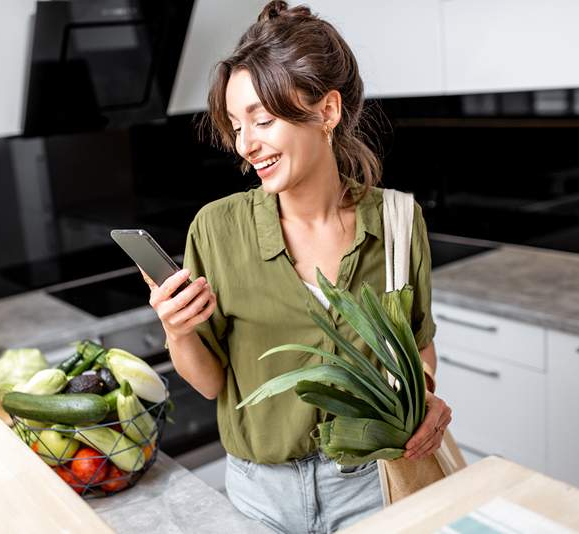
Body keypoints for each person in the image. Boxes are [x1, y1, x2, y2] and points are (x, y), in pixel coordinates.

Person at [141, 2, 452, 532]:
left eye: (263, 120)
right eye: (237, 125)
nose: (246, 144)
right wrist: (177, 331)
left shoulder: (399, 220)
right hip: (260, 493)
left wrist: (421, 400)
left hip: (373, 483)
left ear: (327, 111)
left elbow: (417, 344)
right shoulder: (216, 229)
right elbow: (213, 385)